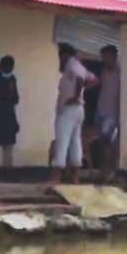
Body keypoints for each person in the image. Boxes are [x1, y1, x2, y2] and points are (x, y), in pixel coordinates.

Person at [50, 42, 97, 183]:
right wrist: (81, 93)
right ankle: (75, 176)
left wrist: (76, 96)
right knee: (75, 142)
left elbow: (80, 79)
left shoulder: (71, 64)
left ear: (64, 54)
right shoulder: (78, 66)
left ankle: (56, 176)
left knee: (62, 141)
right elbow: (94, 80)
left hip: (69, 109)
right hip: (78, 110)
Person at [94, 44, 121, 173]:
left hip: (112, 113)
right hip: (101, 111)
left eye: (107, 57)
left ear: (114, 56)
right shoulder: (103, 72)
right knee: (101, 143)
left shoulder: (121, 73)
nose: (104, 59)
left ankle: (112, 171)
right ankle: (104, 170)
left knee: (110, 143)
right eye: (103, 57)